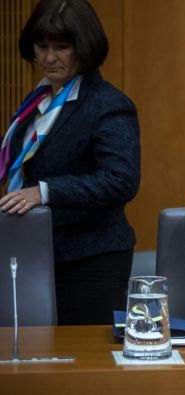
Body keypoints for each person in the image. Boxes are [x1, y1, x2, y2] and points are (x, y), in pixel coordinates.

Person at [0, 0, 140, 325]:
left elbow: (121, 180)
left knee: (82, 362)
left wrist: (45, 192)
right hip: (31, 249)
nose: (49, 58)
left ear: (85, 47)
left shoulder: (109, 104)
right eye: (42, 46)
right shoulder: (37, 99)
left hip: (90, 259)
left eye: (62, 47)